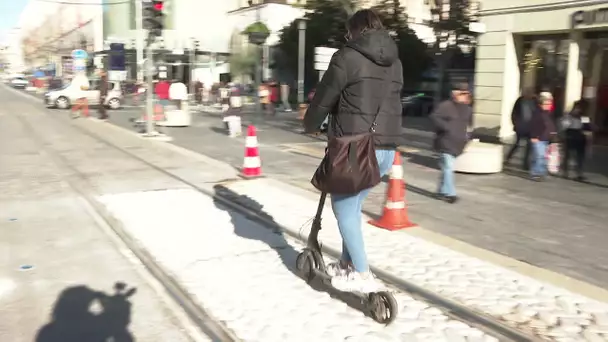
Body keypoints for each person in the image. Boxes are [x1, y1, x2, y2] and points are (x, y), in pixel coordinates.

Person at [303, 9, 403, 293]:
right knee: (353, 205)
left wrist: (310, 124)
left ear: (355, 31)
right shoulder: (395, 62)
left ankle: (361, 272)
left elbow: (324, 97)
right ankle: (347, 264)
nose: (347, 38)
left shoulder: (346, 56)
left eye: (348, 33)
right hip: (385, 149)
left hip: (355, 147)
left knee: (343, 208)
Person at [430, 81, 473, 204]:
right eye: (462, 93)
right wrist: (446, 127)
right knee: (448, 167)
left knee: (446, 168)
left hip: (458, 143)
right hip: (445, 142)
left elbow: (469, 125)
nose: (465, 95)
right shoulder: (446, 106)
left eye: (466, 93)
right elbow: (434, 117)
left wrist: (468, 136)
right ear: (455, 93)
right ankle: (450, 194)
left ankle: (440, 191)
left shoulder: (467, 109)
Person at [505, 88, 537, 170]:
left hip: (530, 127)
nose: (528, 94)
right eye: (527, 93)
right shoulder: (519, 101)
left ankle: (526, 164)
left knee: (529, 146)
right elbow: (514, 113)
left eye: (530, 93)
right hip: (521, 126)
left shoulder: (534, 101)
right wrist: (515, 123)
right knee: (517, 144)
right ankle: (508, 158)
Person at [561, 99, 592, 181]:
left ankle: (579, 173)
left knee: (580, 156)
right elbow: (564, 126)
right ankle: (565, 171)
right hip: (571, 136)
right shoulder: (569, 116)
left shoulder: (584, 116)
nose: (579, 110)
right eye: (578, 108)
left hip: (581, 137)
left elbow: (587, 128)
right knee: (568, 155)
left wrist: (588, 136)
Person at [529, 93, 557, 181]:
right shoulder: (537, 113)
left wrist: (553, 134)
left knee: (541, 156)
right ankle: (536, 173)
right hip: (538, 138)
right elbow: (533, 125)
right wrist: (533, 136)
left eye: (549, 104)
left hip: (546, 138)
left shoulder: (549, 113)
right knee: (539, 156)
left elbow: (551, 125)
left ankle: (540, 172)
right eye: (546, 104)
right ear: (541, 105)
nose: (548, 106)